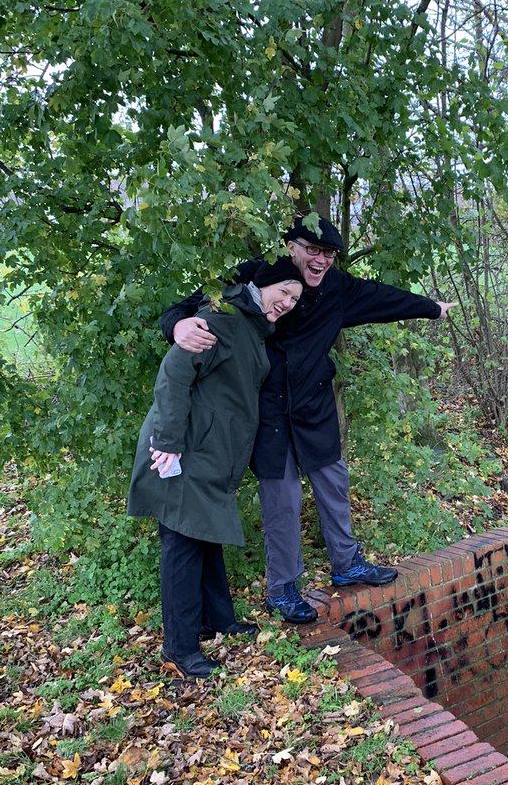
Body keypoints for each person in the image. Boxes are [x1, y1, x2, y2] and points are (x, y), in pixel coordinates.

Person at [161, 215, 456, 625]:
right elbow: (192, 304)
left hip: (314, 408)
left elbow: (383, 297)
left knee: (334, 484)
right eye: (313, 250)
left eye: (329, 254)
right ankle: (283, 589)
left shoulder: (338, 288)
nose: (321, 260)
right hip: (268, 415)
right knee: (282, 502)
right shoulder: (253, 277)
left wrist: (431, 309)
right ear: (291, 247)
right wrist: (176, 325)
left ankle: (347, 562)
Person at [130, 261, 304, 676]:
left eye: (295, 299)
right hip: (182, 450)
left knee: (205, 534)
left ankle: (217, 620)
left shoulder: (252, 325)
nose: (288, 303)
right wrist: (169, 444)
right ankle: (180, 647)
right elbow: (174, 373)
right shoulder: (222, 318)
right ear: (260, 285)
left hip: (210, 453)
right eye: (284, 291)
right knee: (183, 545)